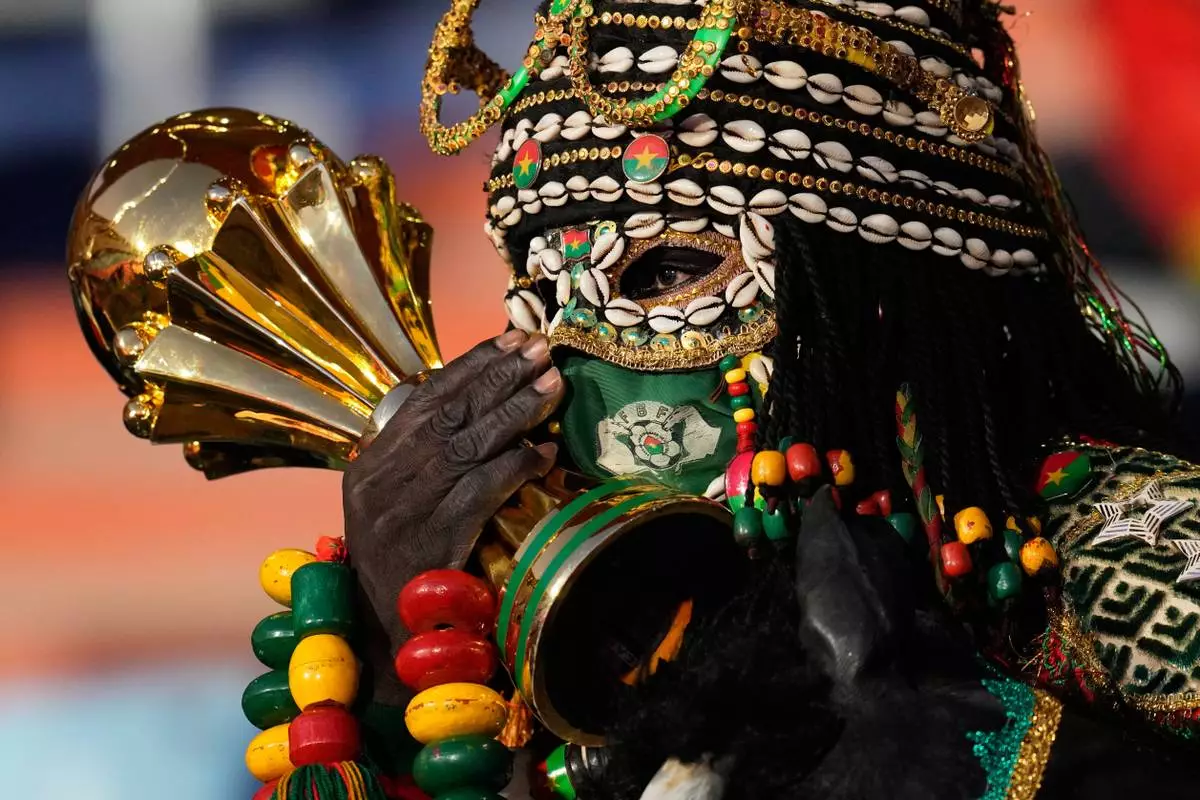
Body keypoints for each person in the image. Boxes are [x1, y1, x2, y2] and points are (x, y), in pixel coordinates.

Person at [344, 0, 1200, 796]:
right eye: (535, 298)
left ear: (870, 301)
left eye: (666, 273)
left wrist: (980, 763)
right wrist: (393, 675)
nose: (559, 373)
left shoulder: (1142, 556)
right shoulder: (581, 654)